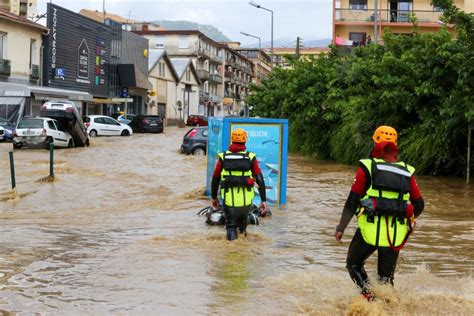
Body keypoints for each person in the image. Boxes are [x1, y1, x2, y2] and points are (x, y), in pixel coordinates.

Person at [335, 126, 424, 301]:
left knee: (353, 264)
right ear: (396, 145)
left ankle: (369, 298)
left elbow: (352, 201)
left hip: (369, 231)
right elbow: (419, 204)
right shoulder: (406, 171)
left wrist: (341, 227)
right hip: (395, 234)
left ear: (375, 141)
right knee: (386, 280)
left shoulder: (367, 167)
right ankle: (390, 307)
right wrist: (409, 220)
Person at [211, 128, 268, 241]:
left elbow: (216, 178)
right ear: (245, 140)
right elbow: (260, 179)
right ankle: (243, 253)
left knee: (231, 227)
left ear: (232, 140)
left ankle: (231, 252)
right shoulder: (251, 157)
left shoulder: (223, 157)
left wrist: (214, 198)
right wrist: (263, 200)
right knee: (242, 228)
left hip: (229, 200)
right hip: (245, 201)